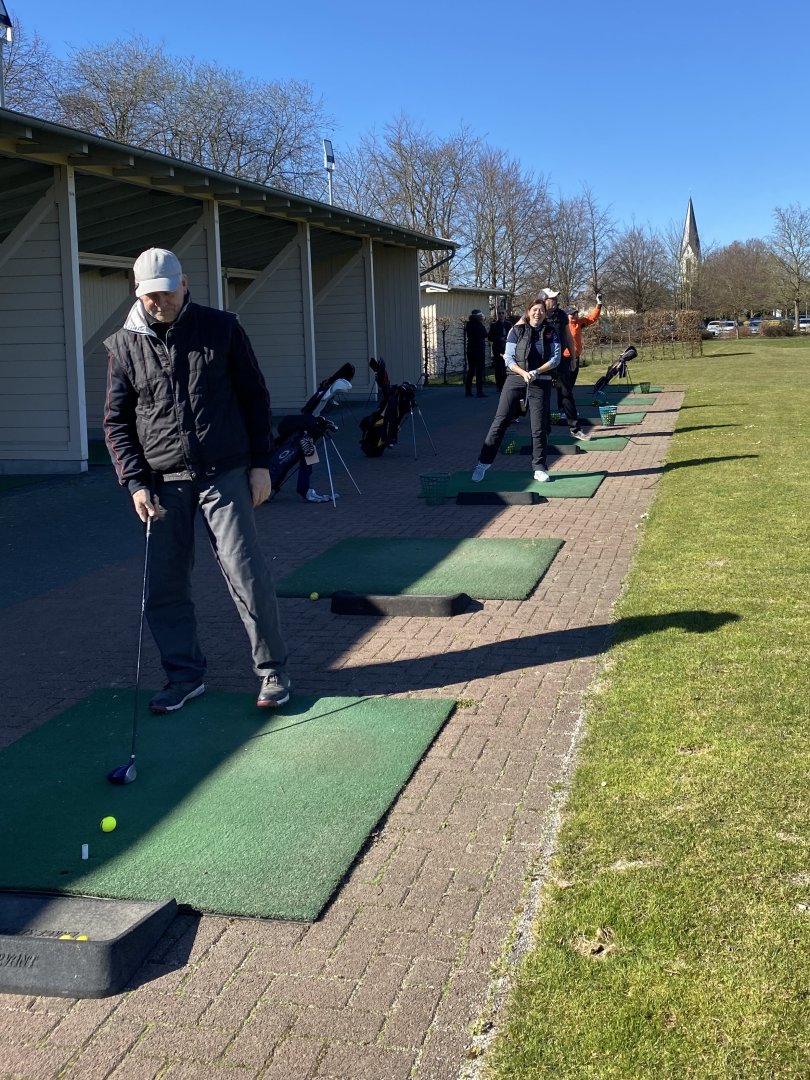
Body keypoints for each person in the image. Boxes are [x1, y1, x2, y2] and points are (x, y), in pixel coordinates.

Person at [103, 247, 291, 714]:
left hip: (222, 473)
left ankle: (273, 671)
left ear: (184, 284)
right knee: (164, 586)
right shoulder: (124, 345)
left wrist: (261, 464)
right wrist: (135, 483)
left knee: (246, 572)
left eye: (167, 292)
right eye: (150, 296)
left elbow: (255, 397)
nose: (159, 303)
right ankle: (184, 677)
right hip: (161, 483)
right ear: (137, 292)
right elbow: (117, 422)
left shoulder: (222, 328)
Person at [470, 298, 561, 484]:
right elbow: (509, 358)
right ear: (528, 312)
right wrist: (522, 372)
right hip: (515, 378)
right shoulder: (516, 330)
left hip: (540, 380)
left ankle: (539, 467)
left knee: (539, 427)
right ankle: (483, 463)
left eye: (541, 310)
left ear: (545, 313)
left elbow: (555, 358)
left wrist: (536, 372)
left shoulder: (551, 331)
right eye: (534, 309)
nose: (538, 313)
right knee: (500, 421)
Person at [541, 288, 589, 441]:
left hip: (561, 360)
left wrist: (573, 358)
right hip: (542, 362)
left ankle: (575, 428)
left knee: (566, 393)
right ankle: (544, 431)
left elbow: (568, 336)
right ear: (544, 300)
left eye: (556, 298)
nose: (555, 301)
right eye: (552, 298)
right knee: (542, 395)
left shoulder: (561, 315)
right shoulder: (536, 314)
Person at [561, 293, 603, 400]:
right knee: (565, 383)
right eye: (571, 314)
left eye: (575, 313)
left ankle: (567, 401)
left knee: (572, 381)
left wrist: (599, 304)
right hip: (565, 357)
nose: (574, 316)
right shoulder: (562, 325)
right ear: (566, 316)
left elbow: (592, 318)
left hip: (576, 356)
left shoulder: (579, 323)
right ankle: (564, 402)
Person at [464, 309, 489, 398]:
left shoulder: (468, 325)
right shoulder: (479, 325)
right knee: (479, 371)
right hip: (479, 350)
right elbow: (485, 334)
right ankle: (479, 391)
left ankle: (468, 391)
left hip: (470, 349)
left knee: (471, 370)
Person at [487, 306, 511, 391]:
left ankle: (506, 385)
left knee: (506, 367)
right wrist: (499, 338)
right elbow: (490, 337)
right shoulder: (494, 325)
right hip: (498, 349)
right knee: (498, 368)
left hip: (507, 348)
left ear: (505, 314)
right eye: (499, 313)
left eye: (502, 313)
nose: (501, 315)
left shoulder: (508, 324)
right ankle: (499, 386)